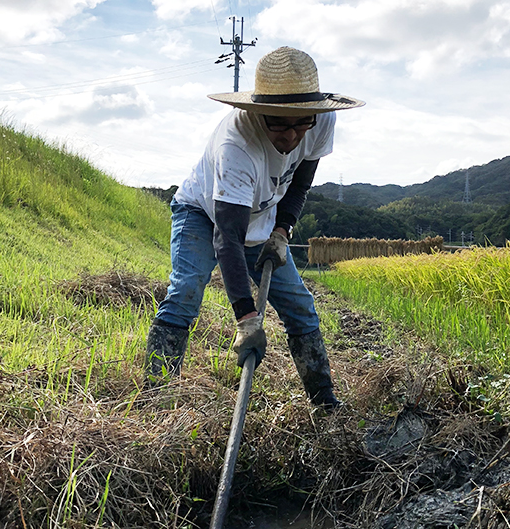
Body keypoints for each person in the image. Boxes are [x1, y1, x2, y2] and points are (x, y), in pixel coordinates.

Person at [145, 46, 364, 408]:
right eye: (278, 122)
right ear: (259, 111)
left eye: (301, 122)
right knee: (185, 292)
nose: (292, 135)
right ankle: (155, 397)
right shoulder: (237, 145)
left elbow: (300, 182)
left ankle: (326, 405)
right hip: (203, 215)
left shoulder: (321, 121)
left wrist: (282, 230)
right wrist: (246, 318)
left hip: (264, 221)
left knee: (300, 306)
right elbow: (227, 237)